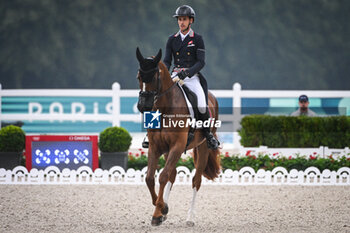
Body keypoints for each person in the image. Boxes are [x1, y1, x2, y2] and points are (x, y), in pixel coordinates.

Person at [162, 5, 219, 150]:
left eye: (184, 19)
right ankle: (150, 134)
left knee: (201, 104)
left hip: (192, 77)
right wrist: (164, 74)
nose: (181, 22)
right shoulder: (172, 39)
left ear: (190, 21)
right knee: (159, 100)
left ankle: (208, 135)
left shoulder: (197, 39)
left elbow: (201, 62)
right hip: (175, 75)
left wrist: (187, 73)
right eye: (179, 19)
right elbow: (167, 60)